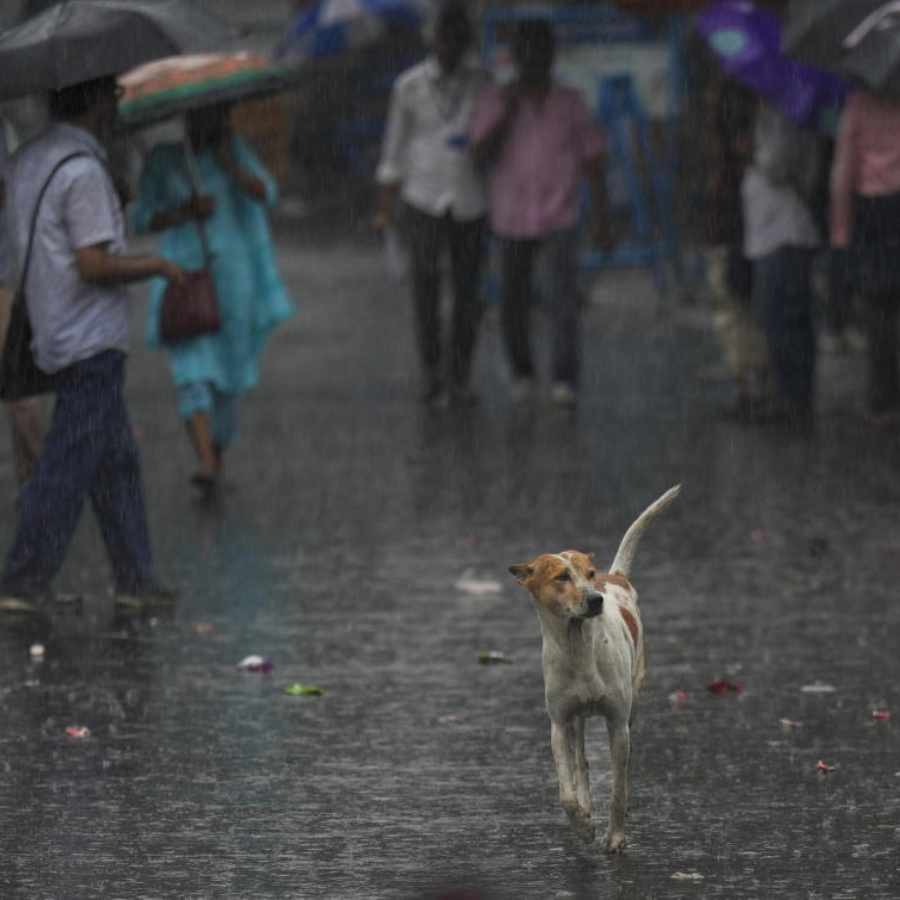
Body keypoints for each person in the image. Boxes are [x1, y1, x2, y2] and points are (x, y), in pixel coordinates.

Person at [0, 75, 184, 616]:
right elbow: (93, 262)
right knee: (69, 461)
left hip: (54, 324)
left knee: (114, 459)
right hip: (88, 337)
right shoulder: (81, 170)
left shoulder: (33, 157)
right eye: (112, 95)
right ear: (94, 101)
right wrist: (157, 264)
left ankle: (136, 577)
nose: (118, 105)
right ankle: (23, 576)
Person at [132, 103, 295, 494]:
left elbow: (266, 193)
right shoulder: (163, 160)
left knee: (228, 379)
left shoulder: (234, 151)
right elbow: (141, 219)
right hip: (183, 276)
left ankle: (215, 454)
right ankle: (205, 459)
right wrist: (183, 212)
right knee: (191, 372)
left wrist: (231, 167)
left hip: (233, 280)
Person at [469, 17, 611, 408]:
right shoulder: (495, 100)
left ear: (551, 57)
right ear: (515, 58)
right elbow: (479, 156)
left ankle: (564, 378)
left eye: (540, 53)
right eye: (525, 54)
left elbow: (594, 160)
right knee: (513, 303)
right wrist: (507, 113)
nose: (533, 62)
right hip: (511, 216)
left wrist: (601, 218)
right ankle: (522, 373)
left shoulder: (571, 103)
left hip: (558, 214)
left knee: (563, 301)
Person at [373, 0, 488, 408]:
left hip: (470, 198)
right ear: (432, 39)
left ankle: (460, 375)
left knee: (468, 292)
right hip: (421, 197)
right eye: (443, 38)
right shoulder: (409, 86)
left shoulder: (482, 83)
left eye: (458, 39)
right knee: (425, 289)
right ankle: (431, 373)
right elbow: (393, 152)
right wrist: (384, 210)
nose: (449, 47)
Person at [742, 99, 822, 429]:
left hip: (783, 231)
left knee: (783, 318)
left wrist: (751, 153)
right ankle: (792, 396)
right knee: (783, 318)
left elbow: (778, 163)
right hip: (770, 232)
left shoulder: (786, 111)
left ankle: (794, 398)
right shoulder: (774, 111)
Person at [830, 89, 900, 426]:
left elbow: (844, 171)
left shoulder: (858, 102)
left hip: (874, 210)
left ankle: (884, 396)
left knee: (878, 303)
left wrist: (840, 231)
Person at [0, 112, 44, 490]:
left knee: (17, 386)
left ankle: (40, 475)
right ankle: (33, 476)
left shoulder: (4, 130)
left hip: (4, 275)